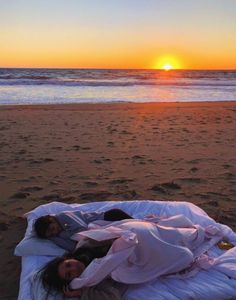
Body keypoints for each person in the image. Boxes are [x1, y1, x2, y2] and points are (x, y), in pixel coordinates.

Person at [41, 214, 234, 298]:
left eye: (67, 265)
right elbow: (112, 295)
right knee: (183, 255)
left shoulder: (84, 245)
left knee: (183, 234)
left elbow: (104, 231)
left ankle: (190, 235)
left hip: (143, 234)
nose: (72, 269)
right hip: (142, 257)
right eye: (69, 275)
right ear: (71, 281)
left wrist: (124, 236)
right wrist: (83, 292)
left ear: (67, 259)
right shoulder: (92, 280)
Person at [34, 208, 132, 251]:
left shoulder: (63, 216)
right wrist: (54, 237)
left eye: (52, 229)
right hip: (99, 232)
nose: (55, 232)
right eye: (51, 234)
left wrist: (63, 235)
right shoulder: (56, 236)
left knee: (135, 225)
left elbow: (83, 230)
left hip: (107, 217)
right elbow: (71, 248)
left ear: (51, 219)